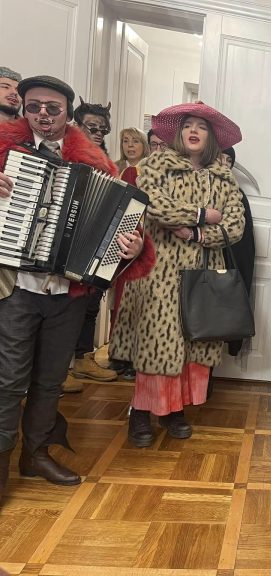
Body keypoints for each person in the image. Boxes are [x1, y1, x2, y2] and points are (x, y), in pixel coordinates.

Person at [0, 75, 147, 502]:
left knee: (50, 381)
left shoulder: (96, 162)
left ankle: (35, 455)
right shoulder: (4, 149)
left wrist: (133, 246)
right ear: (23, 108)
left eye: (53, 107)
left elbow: (124, 222)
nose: (43, 114)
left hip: (67, 293)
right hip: (16, 288)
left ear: (68, 112)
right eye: (33, 106)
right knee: (8, 382)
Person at [110, 102, 245, 448]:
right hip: (160, 272)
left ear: (211, 136)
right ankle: (141, 412)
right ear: (178, 133)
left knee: (192, 344)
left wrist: (196, 234)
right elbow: (155, 205)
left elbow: (235, 226)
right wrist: (202, 214)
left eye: (201, 126)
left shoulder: (224, 177)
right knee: (156, 344)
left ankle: (174, 410)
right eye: (187, 125)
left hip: (202, 274)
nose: (193, 131)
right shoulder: (155, 165)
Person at [66, 97, 119, 388]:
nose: (98, 133)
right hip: (65, 241)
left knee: (91, 302)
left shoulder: (107, 162)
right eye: (92, 127)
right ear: (76, 125)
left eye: (103, 129)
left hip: (96, 242)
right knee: (63, 307)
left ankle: (83, 358)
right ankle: (58, 368)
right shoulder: (65, 153)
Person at [220, 146, 255, 356]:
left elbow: (245, 246)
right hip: (197, 269)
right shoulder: (197, 188)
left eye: (229, 160)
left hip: (227, 269)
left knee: (218, 324)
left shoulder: (238, 196)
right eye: (220, 158)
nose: (224, 163)